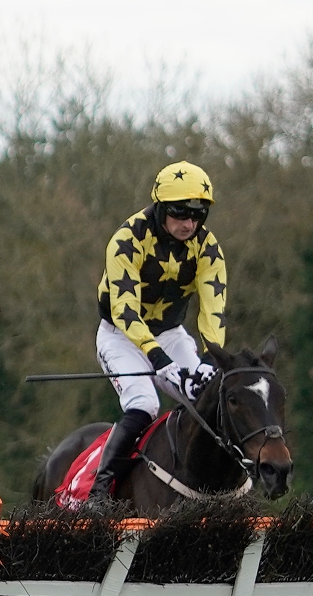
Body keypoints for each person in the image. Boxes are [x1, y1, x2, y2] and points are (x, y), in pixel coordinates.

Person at [88, 161, 227, 499]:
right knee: (144, 404)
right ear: (162, 207)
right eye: (181, 213)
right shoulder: (126, 240)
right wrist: (156, 357)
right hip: (122, 335)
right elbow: (124, 309)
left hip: (170, 333)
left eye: (198, 215)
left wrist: (209, 360)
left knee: (210, 398)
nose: (189, 223)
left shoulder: (208, 249)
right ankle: (99, 490)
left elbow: (214, 312)